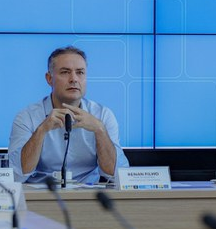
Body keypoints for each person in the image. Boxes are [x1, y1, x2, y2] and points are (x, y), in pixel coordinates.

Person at [8, 45, 129, 183]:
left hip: (89, 197)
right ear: (49, 78)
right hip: (41, 197)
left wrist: (100, 130)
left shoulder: (102, 115)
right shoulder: (27, 117)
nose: (74, 79)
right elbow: (16, 175)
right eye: (65, 72)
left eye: (80, 72)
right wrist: (41, 131)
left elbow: (118, 176)